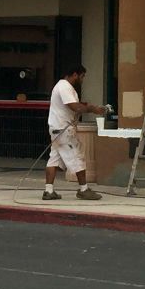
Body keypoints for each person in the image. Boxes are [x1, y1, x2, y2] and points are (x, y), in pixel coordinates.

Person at [42, 62, 103, 202]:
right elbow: (74, 106)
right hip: (63, 130)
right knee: (78, 157)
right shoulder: (64, 87)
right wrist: (92, 109)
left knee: (54, 159)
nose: (82, 79)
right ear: (75, 74)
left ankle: (48, 191)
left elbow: (73, 106)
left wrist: (86, 106)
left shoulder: (63, 86)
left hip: (57, 129)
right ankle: (83, 189)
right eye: (82, 76)